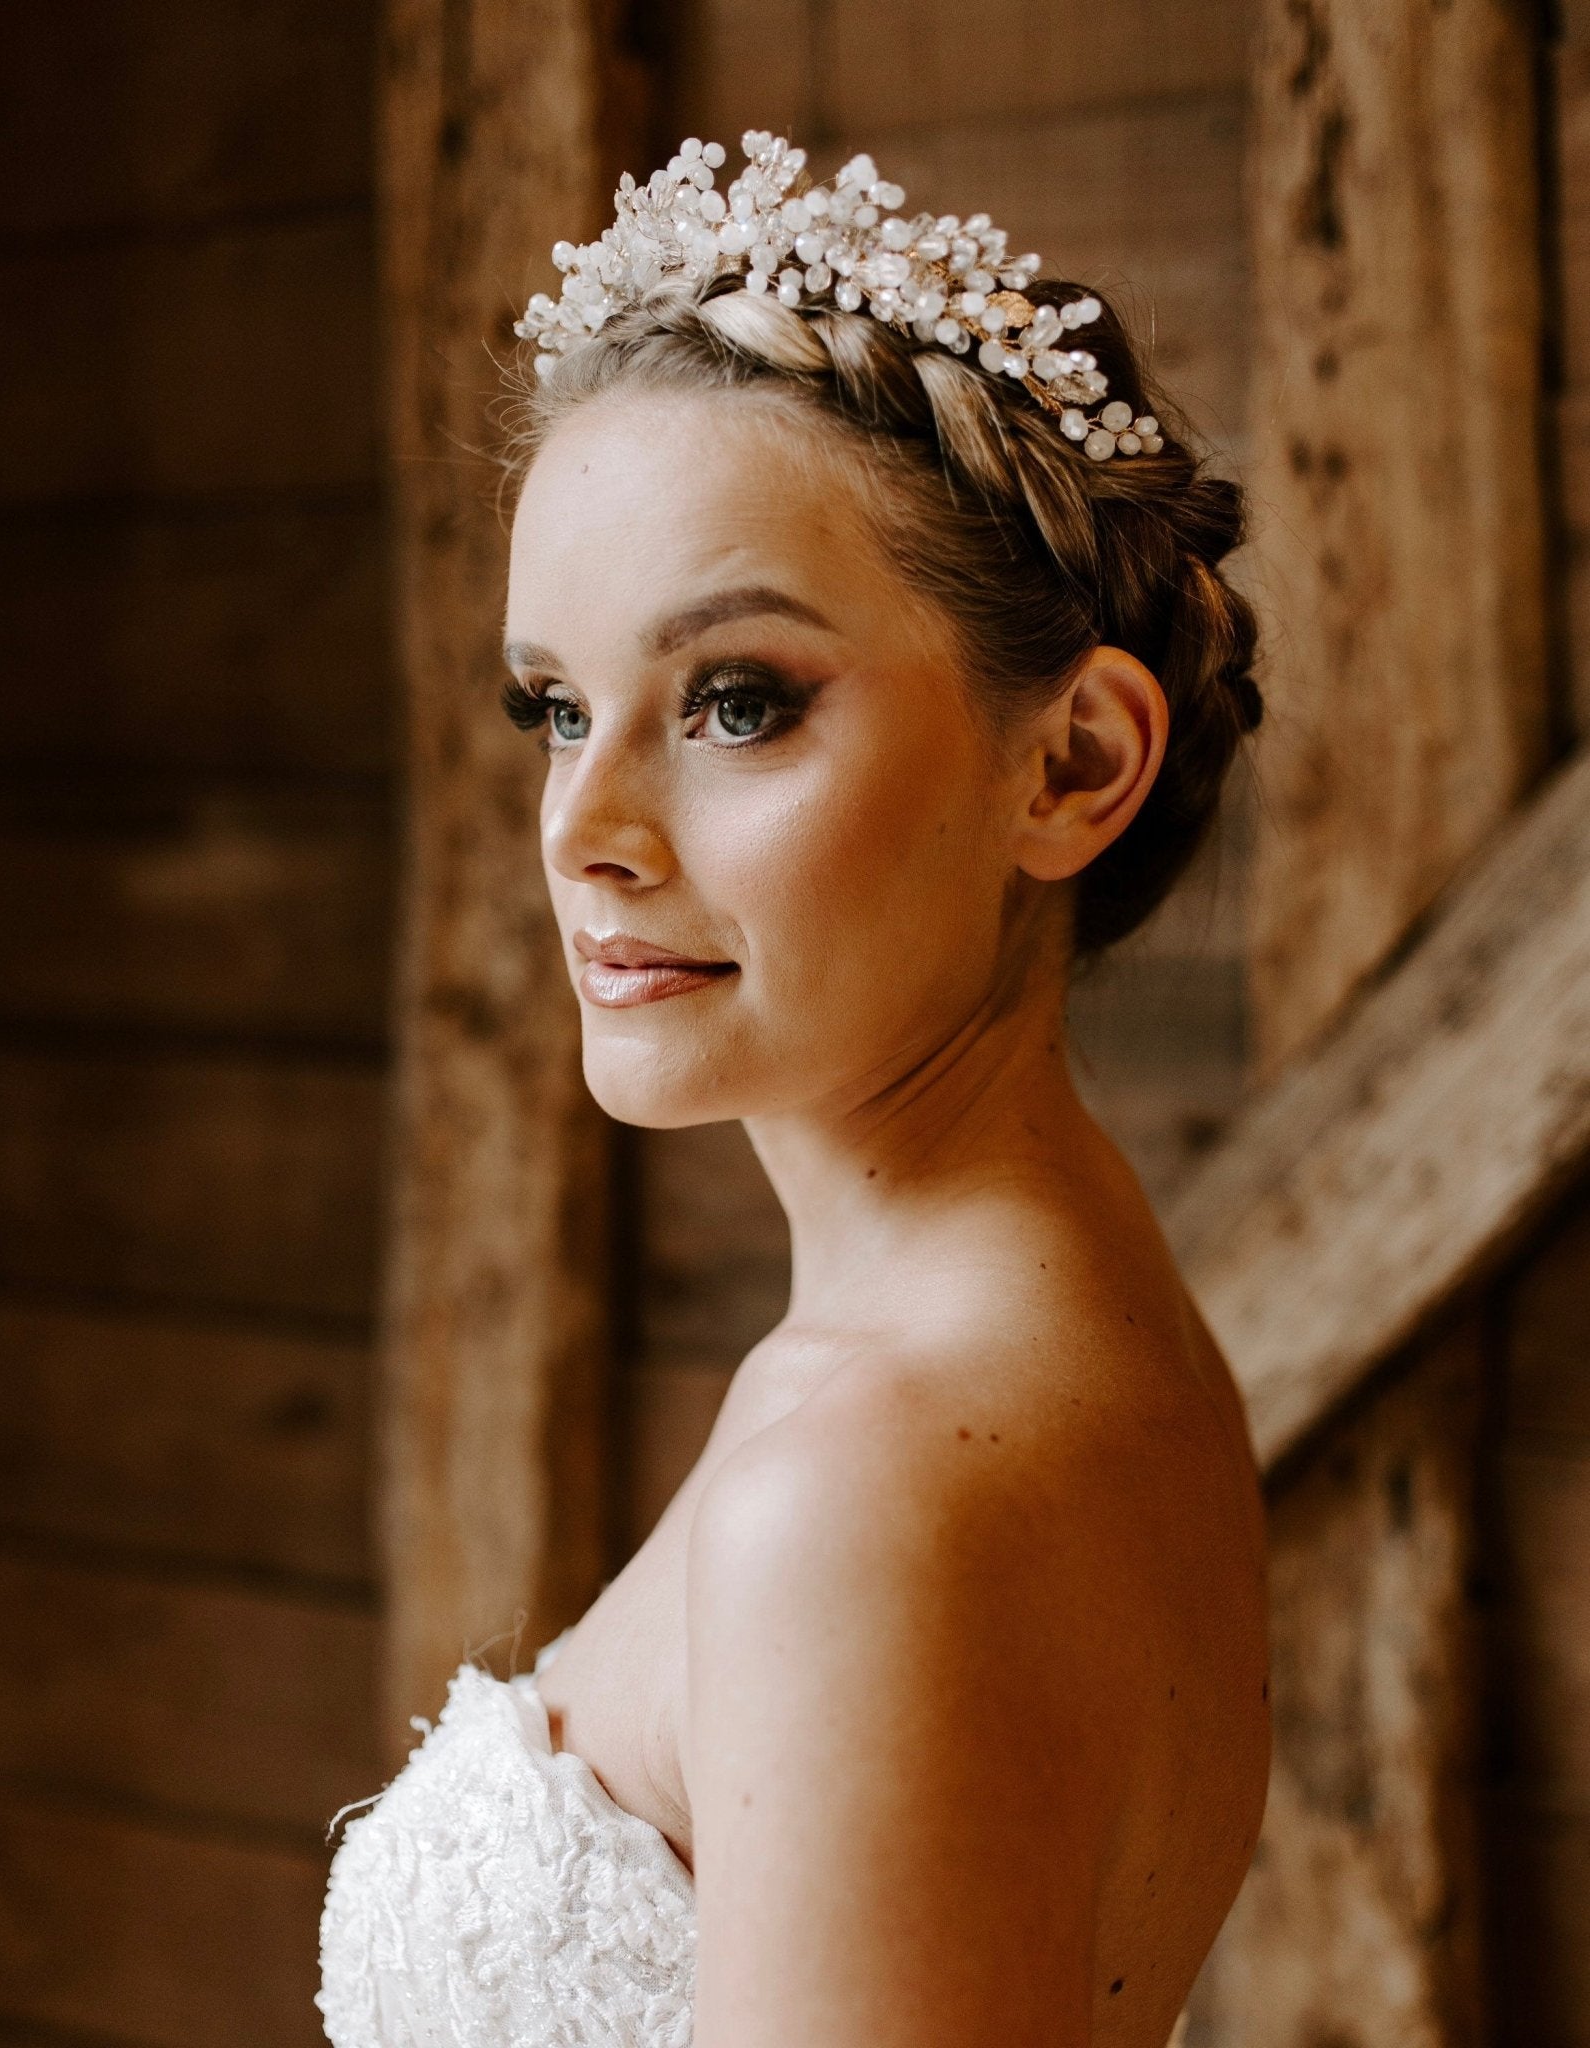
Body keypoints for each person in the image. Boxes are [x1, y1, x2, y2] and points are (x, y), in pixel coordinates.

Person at [317, 131, 1270, 2048]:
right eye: (556, 708)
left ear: (1074, 761)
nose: (583, 828)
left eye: (736, 700)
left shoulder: (875, 1473)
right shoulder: (1074, 1330)